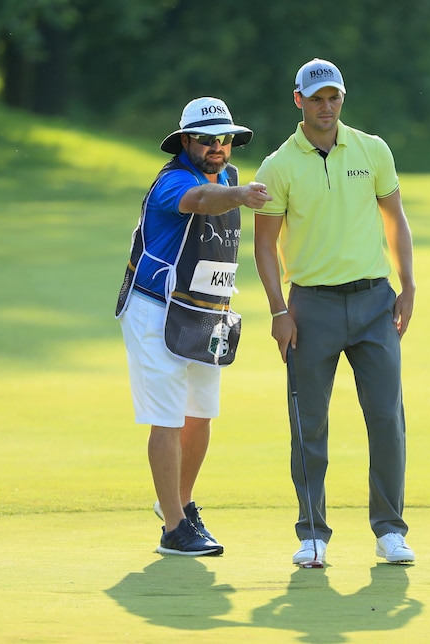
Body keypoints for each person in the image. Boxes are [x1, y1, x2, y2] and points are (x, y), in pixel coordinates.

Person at [253, 59, 417, 565]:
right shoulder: (278, 166)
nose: (327, 108)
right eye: (317, 99)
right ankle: (313, 534)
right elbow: (264, 246)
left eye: (334, 98)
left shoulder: (372, 150)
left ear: (342, 99)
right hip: (310, 306)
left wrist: (407, 285)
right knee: (308, 423)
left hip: (374, 301)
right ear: (298, 100)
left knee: (387, 417)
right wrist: (278, 309)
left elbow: (396, 221)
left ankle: (390, 530)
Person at [115, 97, 272, 556]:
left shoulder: (230, 177)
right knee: (165, 418)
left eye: (223, 138)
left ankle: (180, 506)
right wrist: (241, 196)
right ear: (185, 141)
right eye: (206, 139)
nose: (216, 147)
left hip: (206, 313)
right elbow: (200, 200)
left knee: (200, 413)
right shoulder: (173, 182)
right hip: (155, 309)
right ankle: (172, 529)